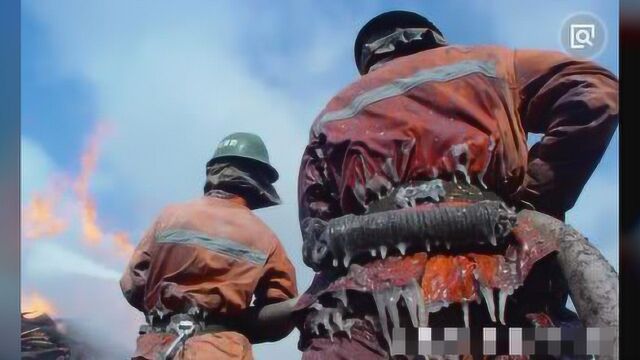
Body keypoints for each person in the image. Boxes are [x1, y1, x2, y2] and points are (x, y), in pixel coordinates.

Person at [295, 10, 618, 359]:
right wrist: (535, 197)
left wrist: (365, 231)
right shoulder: (488, 64)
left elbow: (318, 224)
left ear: (368, 58)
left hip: (367, 292)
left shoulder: (333, 113)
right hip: (493, 266)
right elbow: (597, 93)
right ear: (432, 37)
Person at [121, 132, 298, 359]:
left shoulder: (169, 216)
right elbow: (280, 316)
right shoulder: (265, 237)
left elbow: (133, 284)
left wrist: (165, 313)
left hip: (157, 349)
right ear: (258, 181)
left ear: (215, 171)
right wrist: (228, 325)